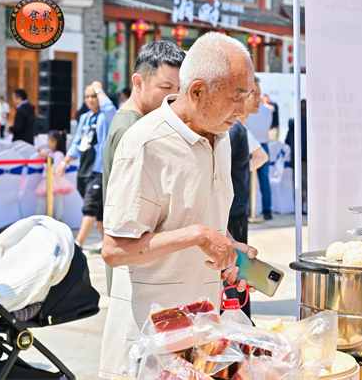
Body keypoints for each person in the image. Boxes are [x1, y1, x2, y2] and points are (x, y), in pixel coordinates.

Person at [99, 32, 258, 378]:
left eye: (247, 97)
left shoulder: (222, 136)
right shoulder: (145, 144)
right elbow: (114, 250)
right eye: (236, 98)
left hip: (203, 332)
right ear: (197, 91)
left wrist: (229, 247)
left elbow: (199, 214)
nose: (243, 110)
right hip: (149, 342)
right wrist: (198, 235)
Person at [102, 41, 185, 296]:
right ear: (138, 83)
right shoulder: (133, 129)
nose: (175, 96)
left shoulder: (139, 121)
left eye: (180, 88)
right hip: (134, 267)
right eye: (165, 87)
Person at [227, 76, 269, 318]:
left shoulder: (239, 129)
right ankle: (238, 319)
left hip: (237, 208)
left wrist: (241, 171)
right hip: (232, 210)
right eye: (254, 94)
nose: (258, 100)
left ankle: (241, 318)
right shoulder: (235, 130)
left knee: (239, 269)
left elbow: (261, 156)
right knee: (235, 270)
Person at [56, 81, 116, 248]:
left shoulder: (105, 116)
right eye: (87, 97)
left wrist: (98, 88)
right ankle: (109, 244)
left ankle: (77, 244)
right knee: (99, 211)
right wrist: (64, 163)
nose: (90, 99)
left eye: (93, 96)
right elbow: (76, 143)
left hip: (98, 171)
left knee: (90, 207)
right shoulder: (84, 118)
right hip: (84, 170)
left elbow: (111, 110)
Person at [35, 130, 75, 220]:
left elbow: (52, 168)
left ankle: (55, 220)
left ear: (54, 142)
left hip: (53, 179)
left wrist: (45, 159)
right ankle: (41, 219)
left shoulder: (57, 154)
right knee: (49, 202)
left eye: (48, 141)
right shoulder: (52, 153)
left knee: (55, 202)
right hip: (50, 180)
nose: (47, 143)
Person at [246, 98, 273, 219]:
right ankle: (267, 210)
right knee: (264, 180)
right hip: (261, 144)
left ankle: (247, 209)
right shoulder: (268, 111)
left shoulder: (250, 111)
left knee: (245, 179)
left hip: (250, 144)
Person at [285, 99, 308, 213]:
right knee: (308, 185)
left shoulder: (293, 123)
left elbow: (287, 141)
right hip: (309, 159)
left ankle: (299, 209)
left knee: (298, 185)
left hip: (296, 158)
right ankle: (308, 208)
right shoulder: (311, 123)